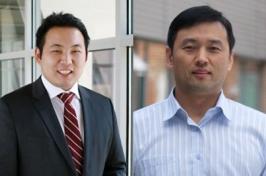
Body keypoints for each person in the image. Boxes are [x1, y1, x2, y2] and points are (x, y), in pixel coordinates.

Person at [133, 6, 266, 176]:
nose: (202, 59)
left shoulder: (261, 129)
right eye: (189, 47)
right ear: (169, 56)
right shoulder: (134, 128)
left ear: (230, 59)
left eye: (213, 48)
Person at [0, 12, 126, 176]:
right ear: (38, 56)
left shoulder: (103, 106)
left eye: (75, 51)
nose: (67, 60)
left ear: (86, 56)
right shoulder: (11, 108)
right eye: (56, 51)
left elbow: (115, 167)